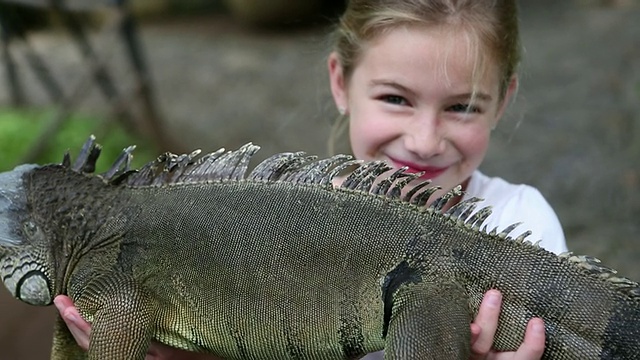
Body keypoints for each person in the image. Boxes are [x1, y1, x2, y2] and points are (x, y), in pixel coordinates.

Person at [54, 0, 568, 358]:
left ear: (503, 101)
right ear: (341, 82)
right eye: (396, 98)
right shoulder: (272, 226)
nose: (425, 139)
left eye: (461, 107)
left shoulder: (523, 223)